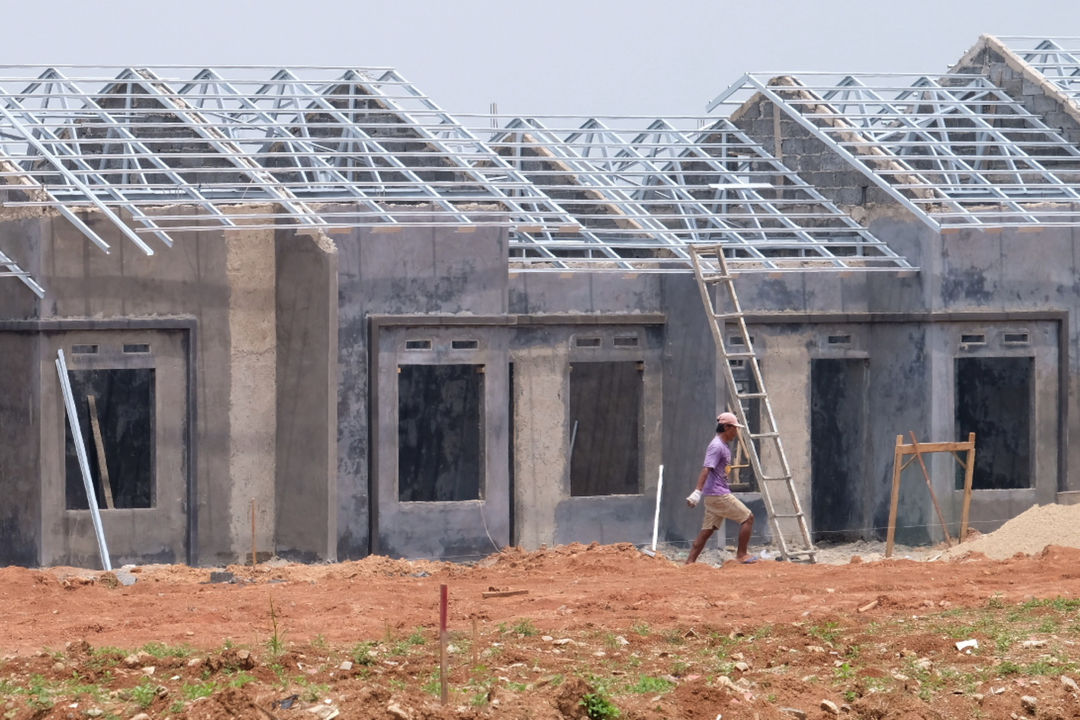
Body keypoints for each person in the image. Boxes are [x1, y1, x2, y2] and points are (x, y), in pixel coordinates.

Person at [685, 411, 756, 565]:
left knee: (707, 531)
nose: (737, 432)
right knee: (748, 518)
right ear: (726, 427)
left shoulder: (722, 445)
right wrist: (697, 492)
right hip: (718, 494)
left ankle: (689, 562)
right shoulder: (717, 446)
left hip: (713, 495)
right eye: (735, 428)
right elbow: (706, 469)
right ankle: (742, 555)